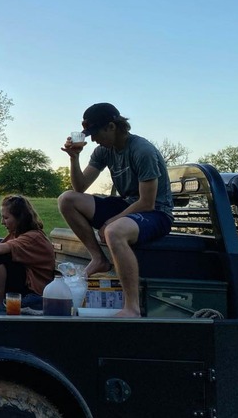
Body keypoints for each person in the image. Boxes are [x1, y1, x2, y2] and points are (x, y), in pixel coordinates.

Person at [58, 102, 173, 317]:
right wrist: (74, 159)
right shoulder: (104, 151)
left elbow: (147, 203)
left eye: (96, 132)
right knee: (67, 200)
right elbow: (80, 187)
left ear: (111, 126)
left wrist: (112, 221)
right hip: (128, 205)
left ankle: (132, 307)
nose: (92, 139)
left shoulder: (142, 151)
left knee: (114, 231)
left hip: (156, 212)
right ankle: (98, 259)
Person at [0, 195, 55, 310]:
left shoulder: (33, 238)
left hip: (34, 291)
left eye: (6, 218)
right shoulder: (16, 234)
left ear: (20, 218)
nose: (2, 222)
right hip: (20, 284)